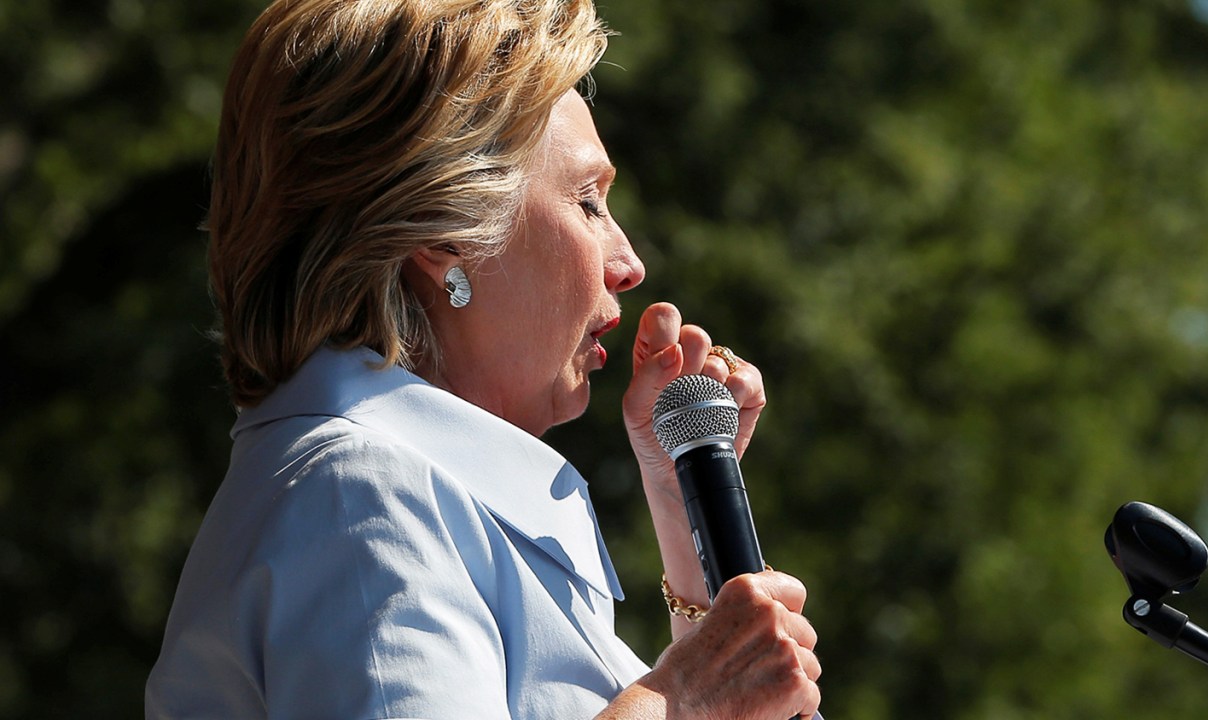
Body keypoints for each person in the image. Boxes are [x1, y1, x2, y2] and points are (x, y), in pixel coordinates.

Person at [145, 0, 822, 717]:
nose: (629, 264)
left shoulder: (391, 491)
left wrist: (687, 535)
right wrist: (685, 699)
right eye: (589, 202)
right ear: (446, 234)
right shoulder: (358, 494)